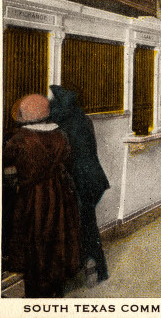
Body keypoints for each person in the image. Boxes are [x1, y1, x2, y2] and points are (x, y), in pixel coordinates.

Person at [3, 94, 82, 297]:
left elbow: (2, 161)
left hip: (33, 197)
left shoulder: (20, 138)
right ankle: (56, 287)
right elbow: (70, 161)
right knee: (57, 236)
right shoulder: (60, 135)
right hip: (60, 195)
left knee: (36, 239)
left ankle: (37, 292)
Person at [48, 85, 111, 283]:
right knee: (87, 224)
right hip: (95, 179)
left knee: (86, 226)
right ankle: (94, 267)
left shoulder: (63, 125)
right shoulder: (84, 119)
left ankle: (95, 268)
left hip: (81, 181)